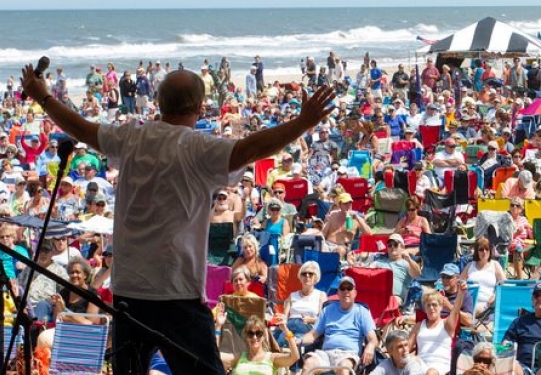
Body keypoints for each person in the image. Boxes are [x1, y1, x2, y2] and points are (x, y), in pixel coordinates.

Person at [21, 63, 336, 374]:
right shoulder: (199, 148)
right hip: (176, 291)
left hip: (129, 291)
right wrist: (302, 122)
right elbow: (251, 148)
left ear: (159, 104)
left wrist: (43, 97)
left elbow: (81, 128)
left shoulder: (131, 138)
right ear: (200, 108)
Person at [300, 276, 378, 375]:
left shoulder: (362, 312)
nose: (346, 291)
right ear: (338, 293)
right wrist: (298, 341)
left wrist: (370, 347)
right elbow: (312, 335)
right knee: (308, 364)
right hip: (326, 353)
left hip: (348, 354)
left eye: (349, 288)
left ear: (355, 293)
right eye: (342, 288)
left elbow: (373, 339)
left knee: (343, 368)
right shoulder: (328, 310)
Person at [409, 279, 466, 375]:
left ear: (441, 307)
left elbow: (455, 311)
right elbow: (407, 347)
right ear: (425, 309)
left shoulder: (446, 324)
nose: (431, 308)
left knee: (430, 373)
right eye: (428, 305)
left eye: (434, 305)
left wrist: (461, 293)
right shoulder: (419, 325)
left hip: (441, 366)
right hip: (421, 364)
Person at [217, 315, 299, 375]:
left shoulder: (272, 358)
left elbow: (295, 356)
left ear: (263, 336)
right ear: (246, 337)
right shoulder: (238, 358)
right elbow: (215, 354)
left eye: (258, 333)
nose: (254, 337)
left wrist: (286, 330)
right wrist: (218, 326)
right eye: (250, 334)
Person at [274, 261, 326, 347]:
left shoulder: (321, 295)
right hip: (289, 326)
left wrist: (311, 320)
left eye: (311, 274)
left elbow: (323, 321)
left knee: (290, 344)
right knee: (278, 341)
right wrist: (280, 318)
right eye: (304, 274)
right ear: (300, 277)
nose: (307, 276)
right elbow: (285, 317)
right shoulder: (292, 295)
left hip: (307, 327)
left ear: (316, 277)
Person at [461, 237, 506, 315]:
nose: (484, 252)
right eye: (481, 249)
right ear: (476, 252)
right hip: (470, 303)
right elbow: (459, 282)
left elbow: (504, 285)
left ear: (490, 251)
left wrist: (495, 296)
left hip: (488, 305)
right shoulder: (470, 265)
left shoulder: (495, 265)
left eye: (487, 249)